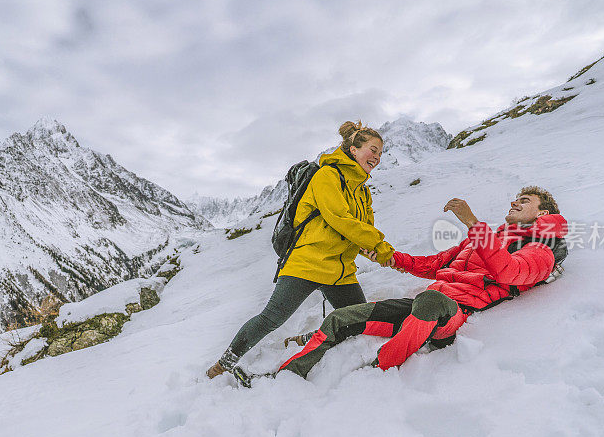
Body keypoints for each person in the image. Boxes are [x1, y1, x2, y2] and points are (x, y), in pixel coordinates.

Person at [276, 186, 568, 378]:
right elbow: (434, 264)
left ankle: (376, 371)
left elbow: (507, 272)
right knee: (342, 317)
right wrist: (389, 258)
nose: (515, 201)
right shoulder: (486, 237)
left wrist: (472, 223)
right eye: (516, 197)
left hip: (454, 315)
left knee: (431, 301)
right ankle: (287, 374)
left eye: (525, 200)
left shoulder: (541, 249)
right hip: (423, 307)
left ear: (543, 213)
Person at [206, 121, 396, 378]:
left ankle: (305, 339)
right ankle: (222, 365)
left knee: (357, 321)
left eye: (381, 153)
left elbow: (359, 231)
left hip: (339, 270)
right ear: (353, 149)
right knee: (271, 318)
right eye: (373, 149)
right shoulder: (327, 176)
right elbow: (339, 219)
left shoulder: (362, 192)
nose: (377, 156)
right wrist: (378, 244)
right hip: (307, 264)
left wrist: (373, 251)